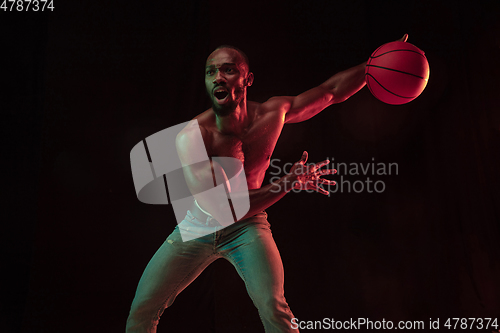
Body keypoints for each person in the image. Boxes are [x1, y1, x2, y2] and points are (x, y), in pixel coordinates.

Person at [126, 34, 409, 333]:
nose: (218, 77)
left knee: (274, 308)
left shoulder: (273, 113)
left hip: (248, 227)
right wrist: (288, 182)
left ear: (248, 80)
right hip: (201, 223)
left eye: (228, 69)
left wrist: (374, 66)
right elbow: (225, 211)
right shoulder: (192, 137)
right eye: (211, 71)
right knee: (143, 310)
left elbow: (330, 91)